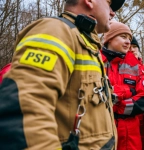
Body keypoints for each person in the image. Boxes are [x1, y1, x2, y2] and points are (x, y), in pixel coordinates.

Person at [0, 0, 125, 149]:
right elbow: (24, 110)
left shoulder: (86, 43)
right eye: (109, 3)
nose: (112, 12)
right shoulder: (55, 31)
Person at [101, 21, 144, 150]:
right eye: (123, 37)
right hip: (101, 131)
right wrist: (129, 92)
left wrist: (114, 102)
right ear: (110, 38)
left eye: (129, 38)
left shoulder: (135, 65)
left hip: (131, 137)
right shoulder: (95, 60)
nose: (128, 42)